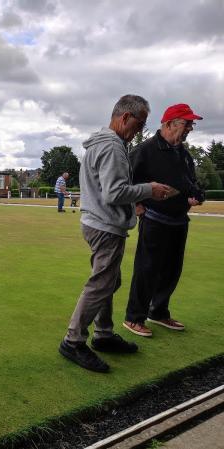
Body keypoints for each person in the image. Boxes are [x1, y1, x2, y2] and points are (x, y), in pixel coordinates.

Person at [59, 94, 172, 373]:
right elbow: (114, 192)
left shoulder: (100, 143)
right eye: (140, 123)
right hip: (105, 225)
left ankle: (104, 334)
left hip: (96, 221)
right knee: (101, 283)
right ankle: (74, 340)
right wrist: (150, 189)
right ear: (125, 118)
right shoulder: (112, 147)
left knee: (109, 281)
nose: (140, 131)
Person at [123, 104, 204, 337]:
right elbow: (126, 181)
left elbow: (191, 182)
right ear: (169, 124)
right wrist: (137, 206)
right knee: (147, 269)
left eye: (191, 124)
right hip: (155, 218)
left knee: (171, 270)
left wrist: (196, 195)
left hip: (179, 219)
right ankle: (134, 317)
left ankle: (158, 312)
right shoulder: (144, 150)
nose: (190, 128)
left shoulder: (184, 153)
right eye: (186, 123)